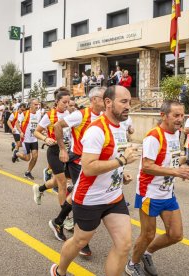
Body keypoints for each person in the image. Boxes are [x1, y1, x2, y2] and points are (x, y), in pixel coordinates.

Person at [50, 85, 139, 276]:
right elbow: (89, 167)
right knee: (80, 241)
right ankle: (59, 270)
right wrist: (121, 161)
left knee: (124, 246)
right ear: (108, 102)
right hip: (90, 197)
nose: (128, 106)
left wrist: (121, 172)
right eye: (123, 102)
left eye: (129, 102)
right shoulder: (96, 130)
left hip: (114, 197)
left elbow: (111, 156)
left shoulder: (121, 127)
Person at [126, 100, 189, 276]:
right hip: (149, 192)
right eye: (176, 115)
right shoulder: (154, 136)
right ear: (163, 116)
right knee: (148, 234)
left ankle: (147, 254)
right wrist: (176, 171)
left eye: (182, 115)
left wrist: (184, 166)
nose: (180, 119)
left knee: (175, 235)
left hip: (167, 192)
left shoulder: (177, 134)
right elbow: (147, 166)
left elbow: (168, 158)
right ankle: (132, 263)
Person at [48, 86, 106, 256]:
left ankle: (58, 221)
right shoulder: (81, 115)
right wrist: (63, 150)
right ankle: (81, 239)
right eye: (104, 98)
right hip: (78, 160)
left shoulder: (103, 116)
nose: (107, 101)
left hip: (93, 161)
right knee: (84, 197)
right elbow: (58, 126)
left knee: (80, 194)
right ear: (94, 99)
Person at [33, 88, 71, 207]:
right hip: (55, 151)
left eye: (68, 102)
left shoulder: (71, 114)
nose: (67, 105)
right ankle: (64, 216)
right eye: (64, 102)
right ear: (57, 101)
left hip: (69, 151)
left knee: (56, 181)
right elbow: (36, 132)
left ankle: (39, 189)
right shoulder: (49, 115)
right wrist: (45, 139)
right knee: (63, 183)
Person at [13, 98, 42, 179]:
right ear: (31, 105)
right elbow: (17, 123)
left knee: (35, 157)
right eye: (35, 104)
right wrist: (21, 132)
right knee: (27, 158)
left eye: (38, 104)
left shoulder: (39, 114)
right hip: (26, 139)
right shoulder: (25, 113)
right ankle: (16, 154)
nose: (37, 106)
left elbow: (39, 125)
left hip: (34, 139)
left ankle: (28, 172)